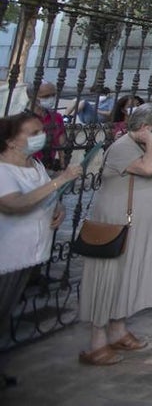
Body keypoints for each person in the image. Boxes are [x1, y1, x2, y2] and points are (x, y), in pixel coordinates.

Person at [77, 103, 152, 366]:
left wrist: (151, 141)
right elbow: (148, 169)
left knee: (127, 277)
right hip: (119, 225)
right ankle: (97, 342)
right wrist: (150, 140)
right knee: (108, 279)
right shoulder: (122, 147)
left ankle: (118, 329)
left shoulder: (150, 144)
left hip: (142, 228)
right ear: (144, 127)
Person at [0, 114, 79, 388]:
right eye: (32, 132)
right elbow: (14, 204)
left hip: (30, 253)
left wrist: (58, 209)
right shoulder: (2, 170)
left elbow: (46, 197)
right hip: (6, 253)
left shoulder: (34, 165)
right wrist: (61, 179)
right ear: (10, 141)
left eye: (41, 130)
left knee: (6, 310)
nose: (40, 135)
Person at [25, 83, 65, 169]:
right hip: (26, 167)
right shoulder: (22, 119)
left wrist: (63, 167)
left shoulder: (56, 117)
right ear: (32, 97)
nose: (51, 99)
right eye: (46, 96)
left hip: (47, 166)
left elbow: (61, 146)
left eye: (53, 95)